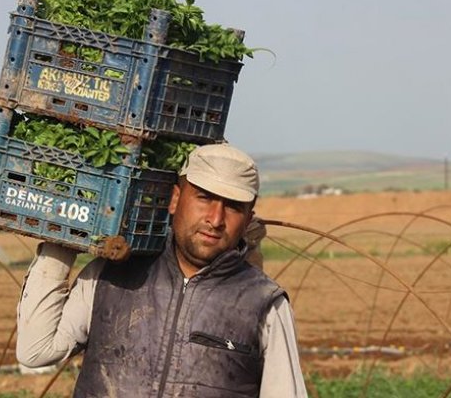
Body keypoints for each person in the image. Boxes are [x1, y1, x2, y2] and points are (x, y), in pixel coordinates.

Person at [16, 144, 306, 397]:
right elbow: (36, 351)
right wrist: (62, 237)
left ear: (248, 219)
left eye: (233, 207)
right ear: (176, 199)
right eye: (204, 198)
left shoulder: (264, 303)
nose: (216, 219)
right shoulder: (110, 276)